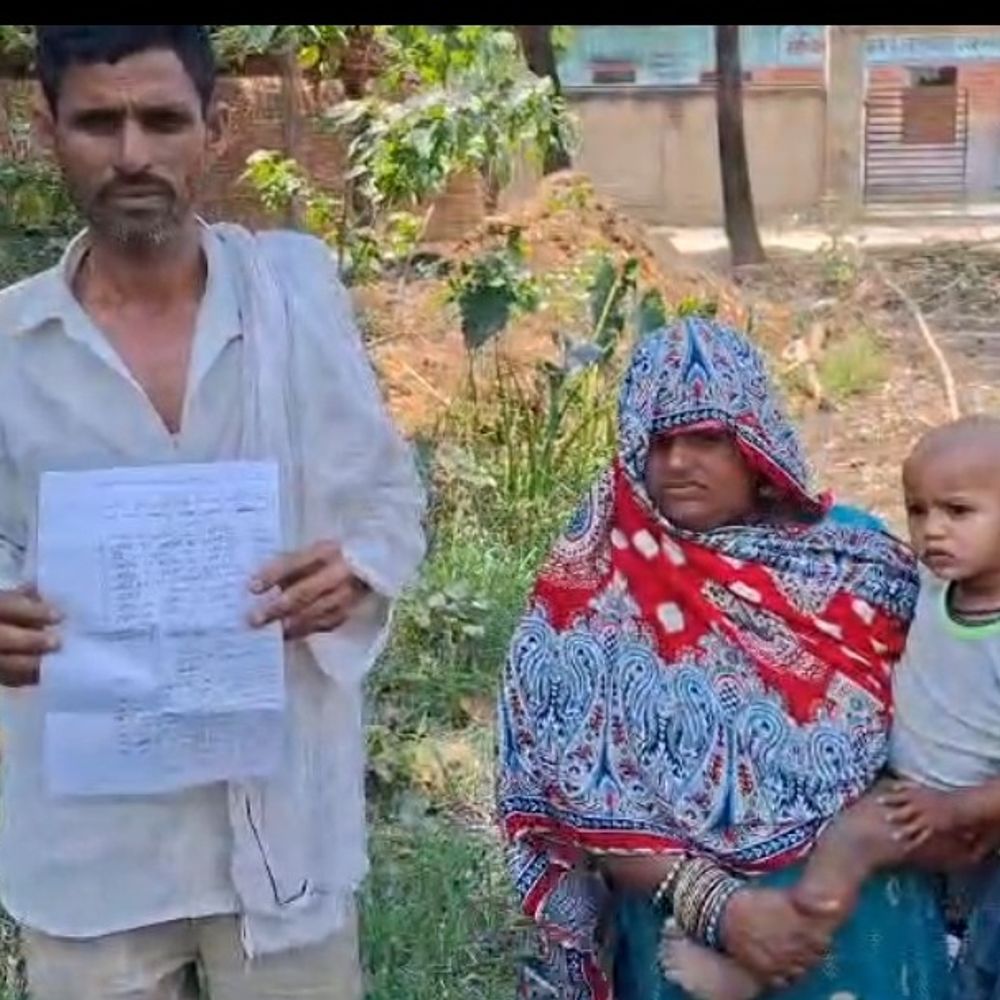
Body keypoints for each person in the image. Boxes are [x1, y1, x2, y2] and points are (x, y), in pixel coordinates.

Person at [0, 25, 424, 1000]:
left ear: (215, 128)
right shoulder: (11, 345)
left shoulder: (293, 299)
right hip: (89, 853)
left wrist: (355, 568)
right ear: (47, 128)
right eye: (98, 123)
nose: (132, 153)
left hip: (281, 830)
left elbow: (389, 497)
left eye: (162, 119)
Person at [497, 317, 952, 999]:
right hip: (686, 934)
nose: (679, 461)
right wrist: (724, 909)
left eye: (706, 437)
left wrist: (857, 856)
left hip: (868, 916)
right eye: (659, 441)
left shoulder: (857, 561)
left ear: (754, 441)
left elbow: (954, 719)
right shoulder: (592, 582)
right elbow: (567, 787)